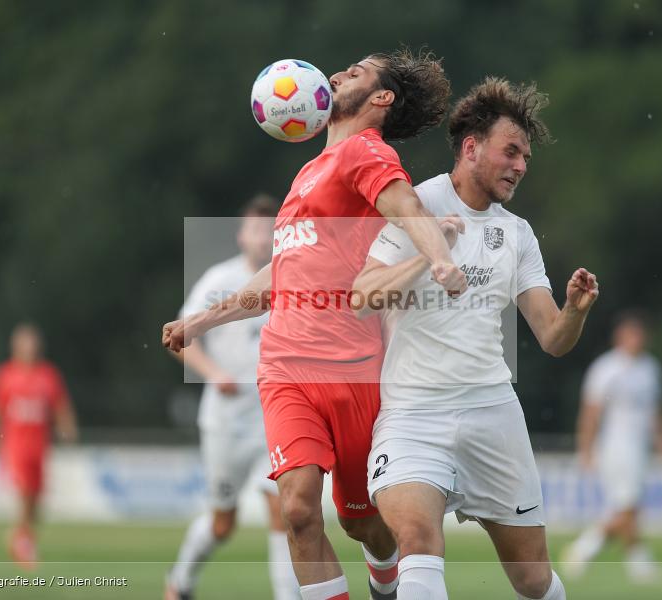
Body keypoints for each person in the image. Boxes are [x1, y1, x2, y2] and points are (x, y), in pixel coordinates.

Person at [164, 47, 467, 600]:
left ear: (381, 98)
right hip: (284, 369)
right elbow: (284, 268)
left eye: (354, 73)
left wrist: (441, 259)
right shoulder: (308, 171)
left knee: (362, 525)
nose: (334, 75)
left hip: (353, 373)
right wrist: (203, 320)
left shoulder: (364, 153)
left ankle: (385, 578)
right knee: (299, 511)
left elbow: (406, 208)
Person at [352, 76, 595, 600]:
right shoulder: (416, 204)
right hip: (414, 416)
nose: (521, 166)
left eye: (526, 156)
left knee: (533, 580)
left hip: (493, 415)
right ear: (471, 147)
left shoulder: (518, 233)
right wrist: (428, 253)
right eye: (511, 151)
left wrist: (574, 310)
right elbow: (362, 294)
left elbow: (553, 338)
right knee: (418, 538)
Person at [165, 196, 299, 600]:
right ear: (241, 235)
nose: (262, 237)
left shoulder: (292, 274)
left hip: (273, 420)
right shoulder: (218, 280)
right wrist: (214, 373)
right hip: (227, 423)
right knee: (224, 523)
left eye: (269, 228)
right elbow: (180, 339)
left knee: (284, 513)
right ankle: (180, 583)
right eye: (255, 228)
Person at [562, 311, 662, 582]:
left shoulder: (650, 368)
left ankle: (635, 565)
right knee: (627, 507)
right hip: (616, 445)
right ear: (619, 337)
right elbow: (591, 412)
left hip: (640, 446)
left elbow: (656, 408)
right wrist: (586, 448)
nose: (635, 340)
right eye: (630, 334)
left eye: (639, 334)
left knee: (627, 508)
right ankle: (585, 550)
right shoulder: (606, 368)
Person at [0, 323, 78, 568]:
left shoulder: (48, 375)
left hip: (39, 446)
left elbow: (60, 406)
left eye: (33, 343)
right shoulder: (5, 375)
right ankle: (23, 544)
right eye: (25, 343)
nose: (30, 348)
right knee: (24, 492)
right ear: (15, 346)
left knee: (36, 500)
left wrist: (67, 428)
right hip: (15, 445)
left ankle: (20, 537)